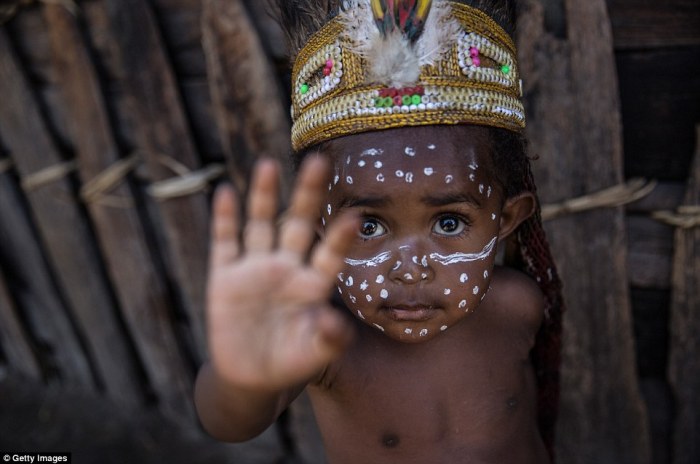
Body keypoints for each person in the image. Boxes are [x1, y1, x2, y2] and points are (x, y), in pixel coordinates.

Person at [194, 1, 564, 463]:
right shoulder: (326, 342)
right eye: (369, 225)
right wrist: (243, 369)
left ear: (507, 219)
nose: (410, 270)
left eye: (449, 222)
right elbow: (229, 423)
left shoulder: (517, 307)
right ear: (320, 226)